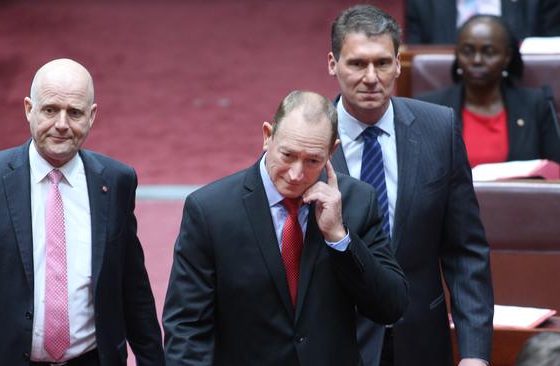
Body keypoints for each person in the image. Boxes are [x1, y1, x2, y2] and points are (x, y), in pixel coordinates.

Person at [0, 58, 165, 366]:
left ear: (92, 116)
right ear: (29, 109)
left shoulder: (116, 181)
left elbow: (132, 285)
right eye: (50, 109)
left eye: (75, 112)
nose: (62, 124)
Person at [162, 90, 408, 366]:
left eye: (313, 160)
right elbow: (186, 326)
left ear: (332, 151)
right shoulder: (210, 211)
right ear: (268, 136)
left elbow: (390, 306)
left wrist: (340, 238)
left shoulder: (357, 202)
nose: (296, 174)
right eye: (288, 155)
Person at [327, 5, 493, 366]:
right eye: (357, 64)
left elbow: (465, 251)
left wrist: (475, 353)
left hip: (421, 341)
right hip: (337, 343)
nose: (371, 77)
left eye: (383, 63)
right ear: (332, 64)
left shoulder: (439, 129)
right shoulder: (309, 139)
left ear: (399, 64)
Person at [417, 14, 560, 168]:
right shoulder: (429, 107)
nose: (477, 60)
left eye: (489, 52)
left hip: (518, 192)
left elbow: (555, 170)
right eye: (467, 51)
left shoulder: (536, 105)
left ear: (507, 57)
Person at [406, 0, 560, 44]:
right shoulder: (423, 4)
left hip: (518, 93)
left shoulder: (538, 4)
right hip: (445, 93)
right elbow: (414, 63)